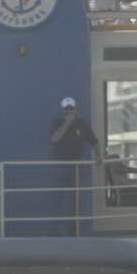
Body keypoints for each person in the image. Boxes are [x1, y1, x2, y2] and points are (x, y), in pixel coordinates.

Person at [49, 96, 99, 234]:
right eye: (66, 109)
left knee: (75, 198)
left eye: (71, 109)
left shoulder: (83, 124)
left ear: (76, 109)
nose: (69, 111)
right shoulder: (57, 123)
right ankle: (56, 229)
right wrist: (66, 123)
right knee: (58, 197)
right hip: (60, 165)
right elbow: (54, 139)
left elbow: (94, 141)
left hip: (77, 166)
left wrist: (99, 156)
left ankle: (73, 228)